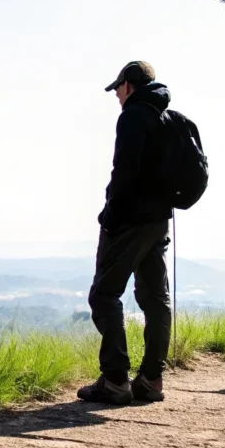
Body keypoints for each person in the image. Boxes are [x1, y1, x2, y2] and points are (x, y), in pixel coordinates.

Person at [77, 60, 172, 405]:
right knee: (156, 299)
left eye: (117, 89)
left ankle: (116, 380)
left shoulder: (133, 115)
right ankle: (151, 380)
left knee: (104, 296)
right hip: (159, 220)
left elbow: (124, 170)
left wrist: (110, 215)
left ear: (128, 85)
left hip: (129, 220)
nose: (116, 96)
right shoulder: (169, 118)